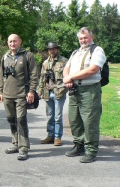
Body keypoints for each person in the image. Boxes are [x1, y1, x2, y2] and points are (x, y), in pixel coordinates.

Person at [63, 27, 106, 163]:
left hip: (90, 90)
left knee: (90, 121)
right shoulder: (75, 52)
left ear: (91, 38)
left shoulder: (97, 50)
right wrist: (68, 78)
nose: (83, 40)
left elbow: (93, 69)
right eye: (81, 38)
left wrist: (70, 77)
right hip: (75, 90)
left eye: (85, 37)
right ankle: (79, 145)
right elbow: (66, 68)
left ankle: (91, 150)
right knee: (74, 120)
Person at [0, 34, 38, 160]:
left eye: (15, 41)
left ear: (20, 41)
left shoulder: (27, 55)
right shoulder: (5, 57)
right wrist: (0, 92)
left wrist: (31, 91)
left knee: (21, 120)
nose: (12, 43)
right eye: (10, 41)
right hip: (7, 94)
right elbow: (0, 76)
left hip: (21, 94)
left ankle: (24, 148)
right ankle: (15, 143)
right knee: (11, 119)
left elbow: (34, 75)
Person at [38, 42, 68, 146]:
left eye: (54, 49)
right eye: (50, 49)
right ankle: (50, 136)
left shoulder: (64, 61)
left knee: (57, 116)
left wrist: (64, 89)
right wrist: (39, 91)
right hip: (47, 92)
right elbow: (42, 78)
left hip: (59, 92)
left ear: (57, 49)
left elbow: (68, 77)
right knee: (50, 116)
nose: (52, 51)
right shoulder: (45, 63)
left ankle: (57, 137)